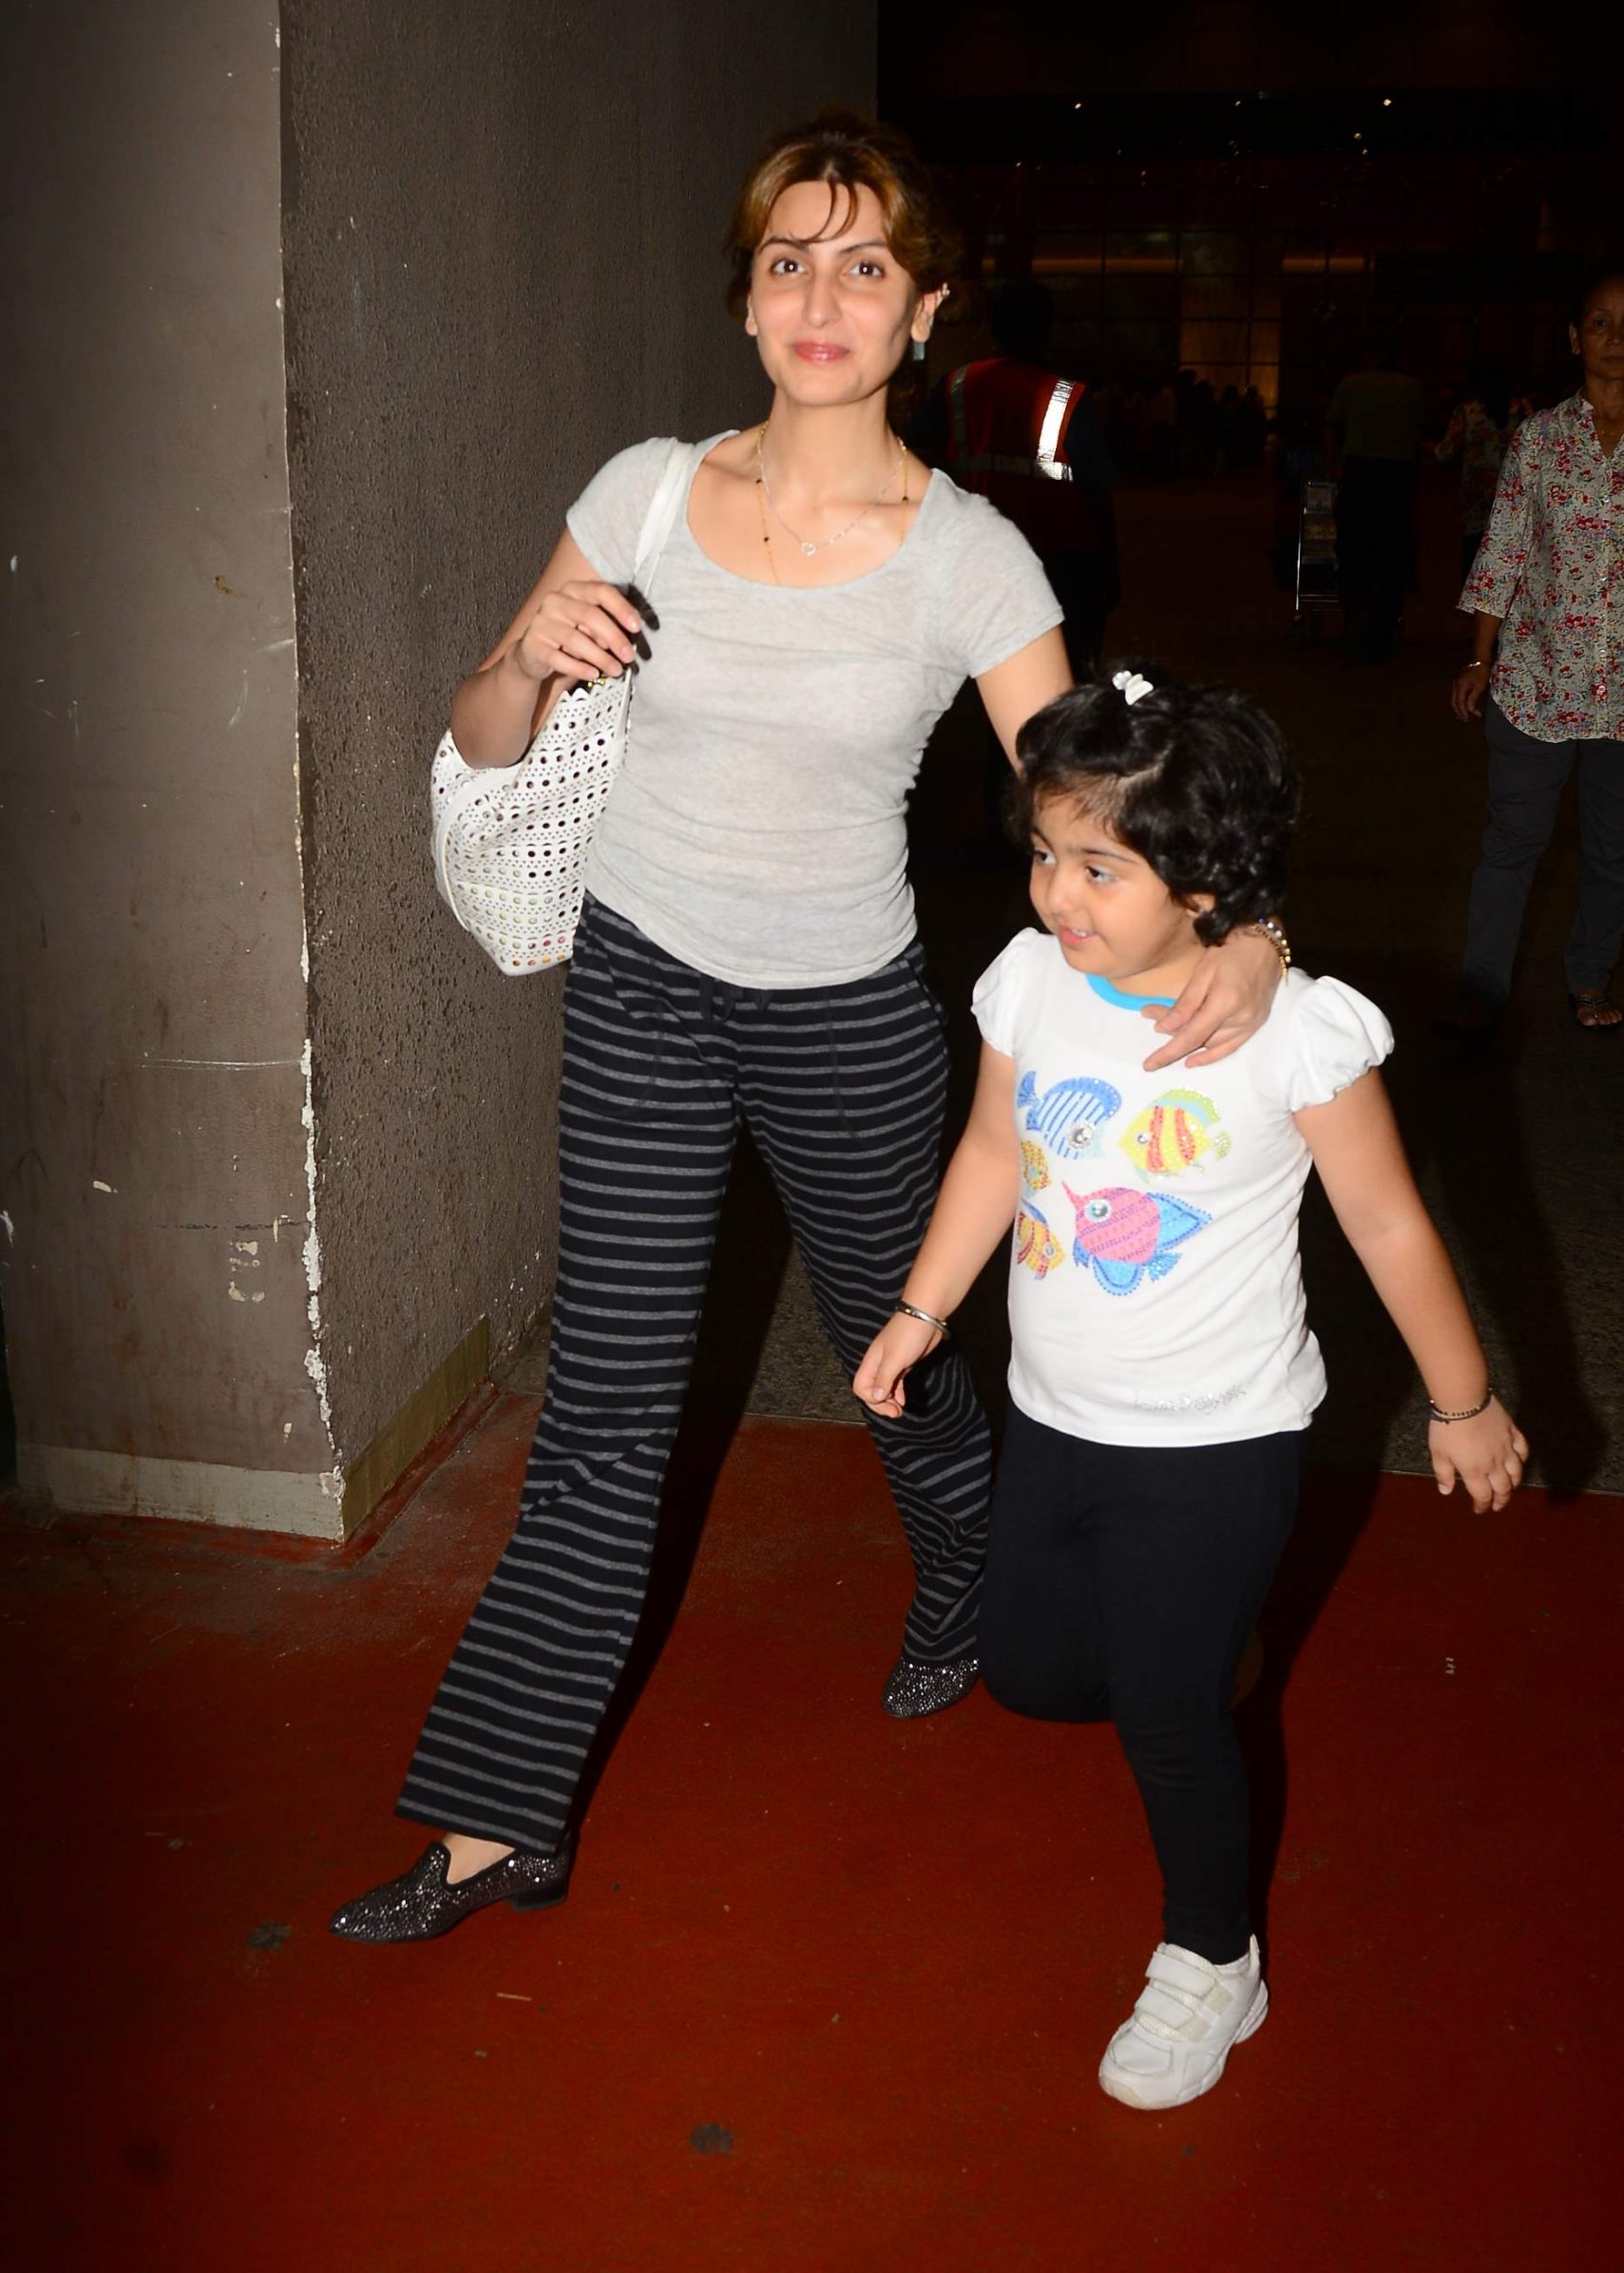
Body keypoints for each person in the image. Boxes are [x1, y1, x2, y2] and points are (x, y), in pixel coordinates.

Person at [330, 111, 1283, 1944]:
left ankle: (954, 1578)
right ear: (747, 300)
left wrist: (1241, 928)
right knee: (607, 1413)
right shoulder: (640, 491)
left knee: (899, 1351)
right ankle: (487, 1819)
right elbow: (484, 732)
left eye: (861, 264)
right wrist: (526, 651)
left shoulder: (970, 560)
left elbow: (1093, 800)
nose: (819, 296)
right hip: (638, 982)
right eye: (787, 259)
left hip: (847, 1011)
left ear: (920, 308)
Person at [854, 666, 1526, 2111]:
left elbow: (1390, 1221)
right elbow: (989, 1156)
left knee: (1160, 1715)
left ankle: (1212, 1961)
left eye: (1099, 864)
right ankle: (1207, 1656)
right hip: (1053, 1414)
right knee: (1030, 1674)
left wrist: (1463, 1401)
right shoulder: (1030, 985)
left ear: (1206, 876)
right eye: (1044, 852)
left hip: (1223, 1440)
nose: (1057, 893)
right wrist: (922, 1308)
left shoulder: (1295, 1028)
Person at [1447, 266, 1624, 1036]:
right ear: (1573, 337)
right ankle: (1482, 988)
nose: (1615, 340)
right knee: (1512, 843)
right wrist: (1479, 659)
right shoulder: (1540, 440)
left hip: (1621, 696)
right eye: (1599, 323)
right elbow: (1505, 551)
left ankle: (1588, 979)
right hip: (1535, 677)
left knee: (1612, 853)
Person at [912, 277, 1119, 672]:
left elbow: (915, 456)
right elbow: (1095, 493)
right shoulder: (1069, 397)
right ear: (1046, 330)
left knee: (993, 673)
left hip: (980, 560)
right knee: (1063, 676)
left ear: (993, 328)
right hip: (1062, 566)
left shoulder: (957, 386)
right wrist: (1108, 573)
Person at [1325, 337, 1424, 662]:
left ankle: (1354, 626)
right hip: (1398, 475)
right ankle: (1383, 629)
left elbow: (1331, 431)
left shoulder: (1351, 385)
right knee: (1391, 554)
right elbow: (1419, 433)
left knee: (1354, 552)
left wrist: (1333, 470)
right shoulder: (1412, 388)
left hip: (1360, 473)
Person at [1434, 358, 1531, 580]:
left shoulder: (1468, 412)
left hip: (1476, 494)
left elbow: (1445, 452)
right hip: (1513, 494)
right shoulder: (1524, 410)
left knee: (1474, 555)